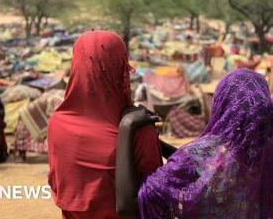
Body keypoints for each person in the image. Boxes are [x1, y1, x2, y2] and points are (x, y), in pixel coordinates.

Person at [116, 68, 273, 218]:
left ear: (221, 103)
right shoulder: (261, 154)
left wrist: (127, 126)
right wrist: (158, 143)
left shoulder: (206, 153)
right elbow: (203, 164)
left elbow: (129, 204)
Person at [47, 30, 166, 219]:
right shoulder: (139, 129)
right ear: (121, 67)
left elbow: (57, 186)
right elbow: (153, 197)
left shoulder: (57, 123)